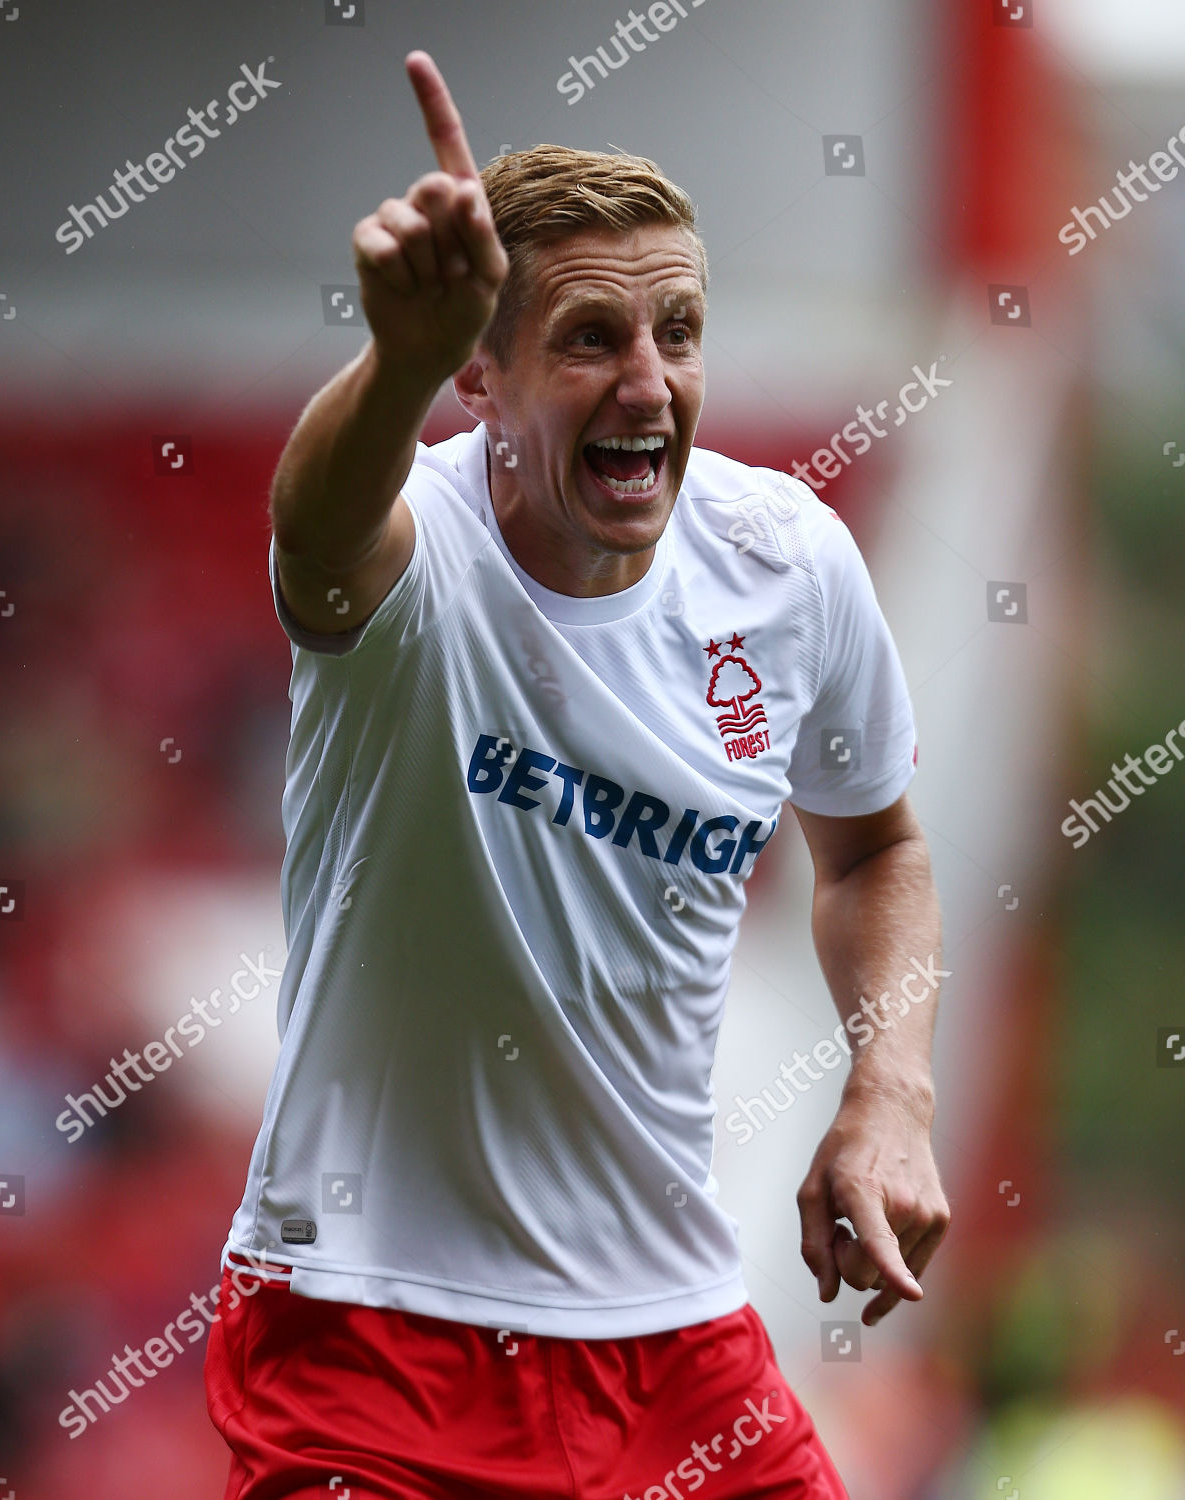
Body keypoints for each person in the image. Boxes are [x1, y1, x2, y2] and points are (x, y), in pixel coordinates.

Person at [205, 48, 950, 1500]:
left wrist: (891, 1093)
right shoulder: (412, 546)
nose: (650, 381)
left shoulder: (787, 566)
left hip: (671, 1342)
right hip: (369, 1335)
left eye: (679, 329)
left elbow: (877, 853)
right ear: (480, 378)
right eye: (591, 337)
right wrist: (395, 359)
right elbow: (317, 527)